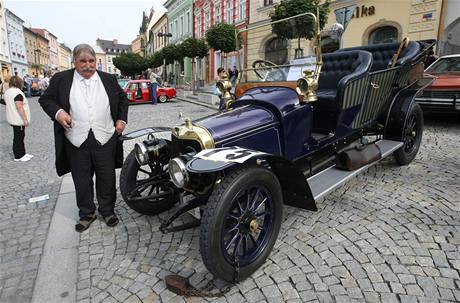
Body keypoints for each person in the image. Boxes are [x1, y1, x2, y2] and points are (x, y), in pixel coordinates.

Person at [39, 44, 129, 232]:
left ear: (95, 61)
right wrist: (59, 112)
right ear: (74, 62)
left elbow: (123, 99)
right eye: (82, 61)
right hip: (76, 139)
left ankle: (107, 211)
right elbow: (45, 99)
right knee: (81, 180)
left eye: (91, 61)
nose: (87, 65)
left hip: (105, 137)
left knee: (106, 177)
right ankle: (87, 213)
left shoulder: (109, 79)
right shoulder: (61, 79)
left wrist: (121, 120)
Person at [4, 76, 33, 162]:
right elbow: (19, 107)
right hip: (18, 119)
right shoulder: (17, 93)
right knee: (18, 137)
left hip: (13, 117)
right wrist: (25, 120)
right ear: (19, 83)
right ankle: (18, 155)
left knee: (20, 136)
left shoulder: (8, 92)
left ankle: (23, 153)